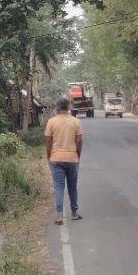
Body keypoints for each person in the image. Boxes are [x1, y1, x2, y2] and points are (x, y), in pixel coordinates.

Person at [44, 96, 83, 224]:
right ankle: (74, 213)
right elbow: (79, 141)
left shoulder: (51, 122)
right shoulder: (76, 122)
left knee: (58, 187)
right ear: (68, 107)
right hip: (72, 158)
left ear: (57, 108)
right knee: (72, 187)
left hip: (56, 159)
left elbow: (48, 142)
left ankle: (60, 216)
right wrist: (77, 155)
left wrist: (49, 156)